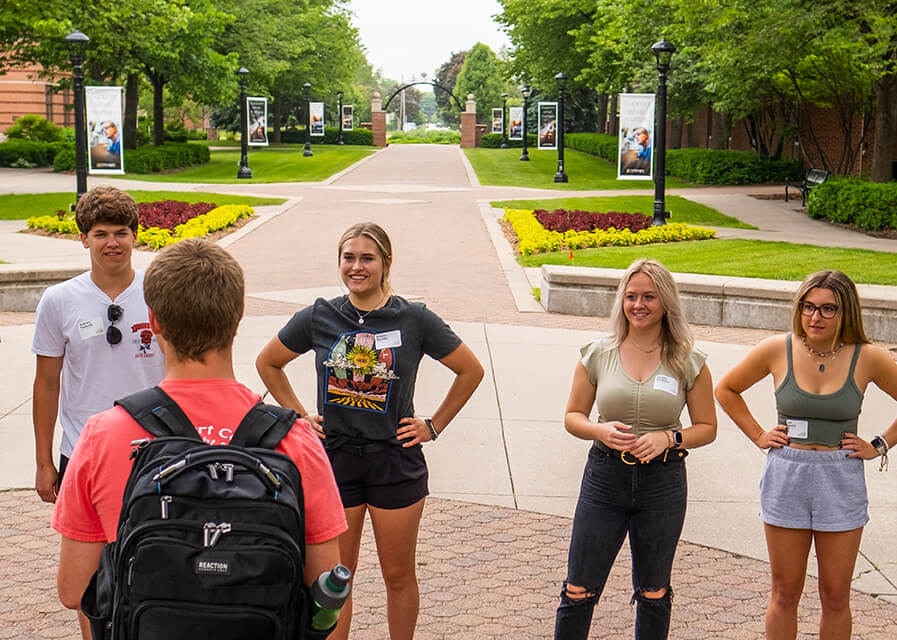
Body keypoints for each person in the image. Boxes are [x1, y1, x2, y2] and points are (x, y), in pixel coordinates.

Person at [53, 239, 347, 639]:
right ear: (238, 316)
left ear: (153, 321)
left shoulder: (103, 434)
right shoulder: (294, 439)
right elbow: (326, 590)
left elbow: (74, 591)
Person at [256, 222, 484, 640]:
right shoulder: (320, 315)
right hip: (336, 461)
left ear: (386, 263)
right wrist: (299, 415)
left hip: (394, 461)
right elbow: (268, 362)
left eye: (367, 258)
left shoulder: (414, 318)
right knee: (335, 580)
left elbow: (470, 370)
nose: (356, 267)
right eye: (349, 257)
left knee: (398, 576)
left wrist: (433, 425)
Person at [715, 270, 897, 640]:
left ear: (846, 312)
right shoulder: (776, 349)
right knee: (784, 594)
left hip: (840, 477)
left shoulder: (868, 357)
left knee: (835, 595)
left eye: (828, 309)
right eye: (808, 307)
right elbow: (727, 389)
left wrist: (879, 444)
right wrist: (759, 434)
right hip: (788, 474)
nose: (815, 318)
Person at [554, 258, 717, 640]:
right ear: (621, 301)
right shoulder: (597, 353)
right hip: (604, 478)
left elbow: (708, 428)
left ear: (665, 303)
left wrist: (669, 438)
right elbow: (572, 416)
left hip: (663, 482)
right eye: (631, 297)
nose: (638, 305)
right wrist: (600, 430)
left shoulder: (688, 360)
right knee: (578, 589)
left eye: (649, 296)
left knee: (654, 592)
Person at [32, 185, 165, 505]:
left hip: (154, 450)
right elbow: (47, 383)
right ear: (83, 239)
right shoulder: (59, 300)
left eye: (121, 232)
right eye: (100, 234)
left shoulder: (160, 292)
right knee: (85, 554)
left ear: (135, 235)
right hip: (83, 451)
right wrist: (43, 463)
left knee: (154, 552)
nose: (112, 243)